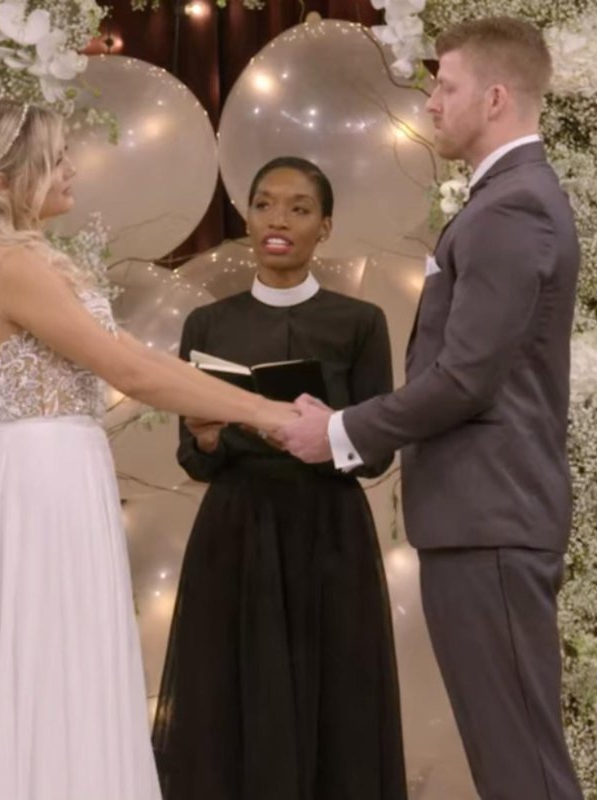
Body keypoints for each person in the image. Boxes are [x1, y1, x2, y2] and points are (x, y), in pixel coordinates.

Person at [0, 100, 296, 800]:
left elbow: (140, 361)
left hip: (48, 467)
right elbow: (129, 371)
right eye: (53, 160)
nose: (70, 169)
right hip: (45, 476)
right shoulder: (11, 267)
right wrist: (268, 413)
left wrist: (245, 404)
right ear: (0, 183)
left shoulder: (11, 261)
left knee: (59, 653)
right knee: (55, 653)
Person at [278, 18, 585, 800]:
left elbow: (465, 379)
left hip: (491, 519)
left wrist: (341, 430)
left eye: (446, 86)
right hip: (482, 519)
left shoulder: (512, 208)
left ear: (495, 97)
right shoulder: (508, 200)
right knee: (509, 760)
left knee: (521, 767)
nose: (432, 103)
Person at [151, 157, 407, 800]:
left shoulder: (360, 322)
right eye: (264, 205)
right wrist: (207, 436)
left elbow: (377, 452)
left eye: (299, 208)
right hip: (236, 528)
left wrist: (326, 438)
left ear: (326, 226)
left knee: (338, 693)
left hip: (329, 530)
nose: (278, 221)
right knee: (231, 692)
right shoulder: (207, 324)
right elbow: (193, 456)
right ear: (247, 219)